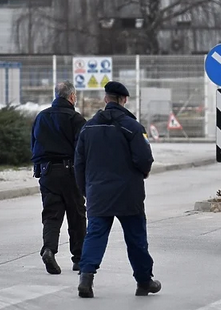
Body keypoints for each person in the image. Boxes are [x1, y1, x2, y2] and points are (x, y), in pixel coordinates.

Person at [74, 81, 161, 298]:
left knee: (95, 235)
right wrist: (144, 171)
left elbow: (79, 164)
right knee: (136, 238)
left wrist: (86, 190)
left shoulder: (88, 128)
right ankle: (143, 282)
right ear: (124, 100)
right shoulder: (132, 127)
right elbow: (144, 158)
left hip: (97, 193)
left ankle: (86, 277)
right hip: (128, 194)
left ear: (106, 99)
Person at [30, 80, 86, 275]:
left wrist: (39, 170)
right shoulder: (76, 119)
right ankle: (79, 259)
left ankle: (48, 250)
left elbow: (34, 145)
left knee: (51, 215)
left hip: (47, 173)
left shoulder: (41, 117)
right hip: (70, 172)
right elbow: (82, 150)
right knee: (77, 215)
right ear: (71, 97)